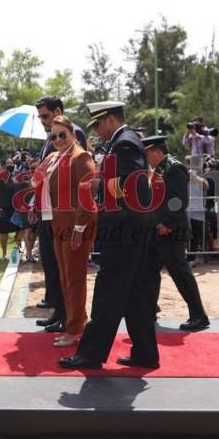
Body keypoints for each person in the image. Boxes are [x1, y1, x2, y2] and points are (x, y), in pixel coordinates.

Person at [59, 101, 158, 370]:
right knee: (134, 293)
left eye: (99, 124)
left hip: (125, 227)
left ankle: (90, 354)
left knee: (108, 289)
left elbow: (132, 182)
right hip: (132, 226)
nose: (98, 130)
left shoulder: (124, 142)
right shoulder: (126, 140)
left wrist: (100, 186)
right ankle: (146, 352)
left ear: (112, 120)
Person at [32, 116, 97, 348]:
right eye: (53, 136)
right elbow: (35, 182)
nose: (58, 139)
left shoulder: (81, 156)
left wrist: (80, 228)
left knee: (74, 279)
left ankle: (74, 329)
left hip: (75, 225)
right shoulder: (53, 157)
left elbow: (87, 194)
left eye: (63, 135)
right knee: (65, 278)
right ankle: (76, 322)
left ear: (73, 134)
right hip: (56, 223)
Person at [143, 135, 210, 331]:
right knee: (148, 271)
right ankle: (149, 309)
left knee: (180, 274)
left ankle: (199, 315)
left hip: (171, 231)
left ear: (156, 151)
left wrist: (167, 223)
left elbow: (178, 200)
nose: (145, 157)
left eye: (147, 152)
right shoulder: (159, 169)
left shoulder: (174, 168)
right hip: (158, 230)